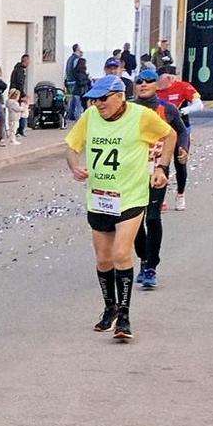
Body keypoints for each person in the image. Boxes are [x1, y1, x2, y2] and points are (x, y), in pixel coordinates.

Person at [65, 76, 174, 343]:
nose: (98, 103)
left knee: (121, 253)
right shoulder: (90, 117)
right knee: (103, 259)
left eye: (103, 98)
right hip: (100, 197)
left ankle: (124, 316)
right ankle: (110, 307)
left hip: (131, 197)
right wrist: (75, 166)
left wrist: (161, 167)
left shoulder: (141, 116)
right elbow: (71, 146)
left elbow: (169, 135)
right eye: (94, 98)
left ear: (119, 96)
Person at [131, 68, 188, 291]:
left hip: (157, 169)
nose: (143, 84)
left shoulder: (167, 109)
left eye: (148, 81)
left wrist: (183, 149)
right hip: (132, 171)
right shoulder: (129, 109)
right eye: (139, 81)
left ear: (157, 85)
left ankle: (151, 266)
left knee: (153, 218)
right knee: (134, 220)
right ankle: (144, 258)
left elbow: (181, 131)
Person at [154, 63, 198, 210]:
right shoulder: (154, 91)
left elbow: (199, 105)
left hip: (180, 129)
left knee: (180, 164)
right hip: (162, 133)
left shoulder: (183, 86)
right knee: (161, 164)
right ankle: (161, 198)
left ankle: (180, 194)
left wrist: (183, 111)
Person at [66, 45, 92, 122]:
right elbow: (76, 70)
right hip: (75, 82)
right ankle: (77, 117)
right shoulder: (76, 60)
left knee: (73, 99)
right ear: (77, 49)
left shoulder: (70, 58)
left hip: (70, 81)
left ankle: (71, 115)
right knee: (78, 100)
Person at [8, 54, 32, 136]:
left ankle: (18, 130)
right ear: (25, 61)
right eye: (28, 61)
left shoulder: (17, 69)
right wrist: (23, 95)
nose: (29, 63)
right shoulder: (20, 71)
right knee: (22, 111)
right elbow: (20, 84)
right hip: (17, 94)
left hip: (16, 93)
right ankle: (20, 130)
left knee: (18, 111)